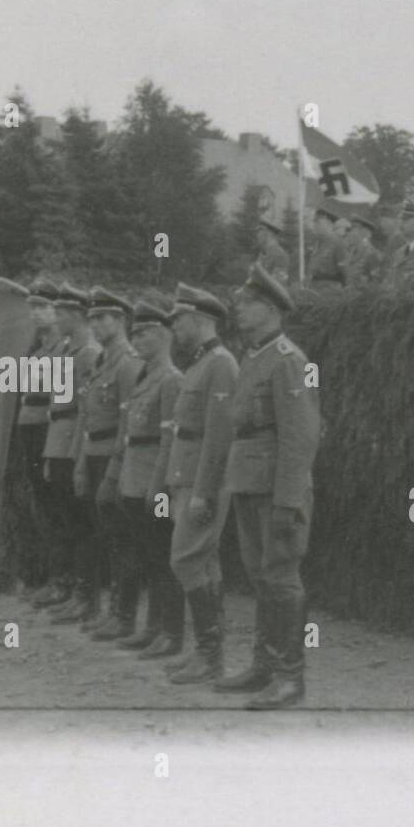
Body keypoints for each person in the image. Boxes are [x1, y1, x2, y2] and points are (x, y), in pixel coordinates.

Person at [214, 265, 321, 709]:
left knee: (281, 579)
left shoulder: (290, 360)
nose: (238, 309)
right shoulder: (254, 357)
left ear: (271, 309)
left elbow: (302, 435)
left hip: (276, 488)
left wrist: (288, 500)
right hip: (249, 481)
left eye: (247, 303)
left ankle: (291, 678)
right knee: (261, 578)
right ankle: (264, 665)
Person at [163, 284, 240, 684]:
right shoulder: (200, 363)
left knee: (186, 559)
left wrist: (204, 492)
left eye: (180, 319)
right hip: (186, 476)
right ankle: (208, 653)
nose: (174, 327)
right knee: (202, 562)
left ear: (201, 319)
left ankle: (210, 654)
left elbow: (219, 433)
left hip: (201, 480)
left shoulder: (221, 364)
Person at [105, 297, 185, 655]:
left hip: (158, 480)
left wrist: (160, 485)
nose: (137, 341)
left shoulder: (171, 379)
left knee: (164, 555)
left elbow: (170, 437)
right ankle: (152, 626)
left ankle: (169, 631)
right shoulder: (145, 377)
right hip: (135, 478)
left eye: (146, 334)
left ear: (165, 336)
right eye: (134, 334)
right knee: (145, 552)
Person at [70, 288, 142, 635]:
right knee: (98, 534)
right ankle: (99, 606)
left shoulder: (128, 362)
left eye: (103, 318)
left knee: (121, 540)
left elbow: (130, 421)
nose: (95, 325)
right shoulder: (100, 363)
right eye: (92, 319)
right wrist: (82, 463)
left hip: (115, 458)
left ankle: (123, 614)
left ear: (121, 321)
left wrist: (117, 468)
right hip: (94, 454)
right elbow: (88, 420)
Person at [39, 283, 103, 616]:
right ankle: (62, 584)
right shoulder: (66, 351)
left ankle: (84, 594)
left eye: (62, 313)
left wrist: (75, 453)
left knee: (81, 522)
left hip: (74, 439)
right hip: (58, 436)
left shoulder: (89, 353)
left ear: (79, 316)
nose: (56, 317)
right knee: (62, 518)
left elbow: (84, 408)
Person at [18, 278, 67, 600]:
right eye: (33, 307)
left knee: (55, 506)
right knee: (39, 507)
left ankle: (61, 579)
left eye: (43, 307)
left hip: (48, 431)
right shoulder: (36, 347)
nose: (36, 313)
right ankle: (45, 575)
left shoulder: (63, 349)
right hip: (29, 430)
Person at [306, 206, 346, 294]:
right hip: (314, 289)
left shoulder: (338, 243)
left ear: (329, 223)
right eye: (314, 221)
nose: (314, 225)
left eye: (318, 222)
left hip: (330, 291)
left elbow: (344, 271)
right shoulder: (317, 243)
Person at [340, 215, 384, 290]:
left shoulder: (373, 255)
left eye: (356, 228)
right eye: (351, 228)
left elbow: (374, 284)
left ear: (367, 233)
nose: (351, 232)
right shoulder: (345, 249)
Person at [255, 219, 292, 285]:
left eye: (260, 230)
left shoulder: (280, 255)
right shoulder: (262, 254)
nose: (257, 234)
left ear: (269, 233)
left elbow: (278, 285)